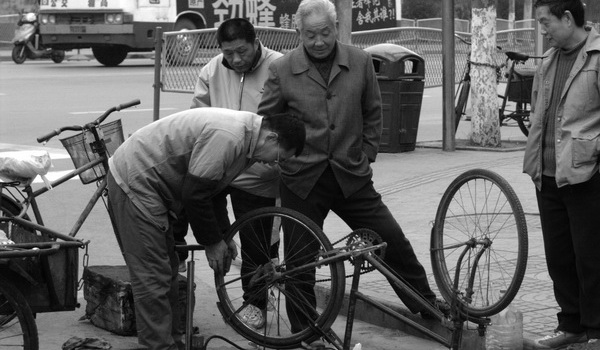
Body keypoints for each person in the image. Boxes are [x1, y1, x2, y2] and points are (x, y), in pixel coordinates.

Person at [257, 0, 447, 332]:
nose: (318, 42)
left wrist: (367, 154)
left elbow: (374, 112)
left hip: (350, 173)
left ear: (337, 29)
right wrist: (285, 157)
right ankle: (306, 329)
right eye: (310, 35)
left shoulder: (358, 61)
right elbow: (267, 122)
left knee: (389, 238)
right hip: (302, 179)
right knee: (301, 257)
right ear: (298, 33)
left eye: (325, 33)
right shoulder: (282, 69)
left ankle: (426, 303)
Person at [107, 107, 305, 350]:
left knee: (166, 273)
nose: (272, 164)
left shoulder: (248, 142)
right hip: (136, 181)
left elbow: (213, 191)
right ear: (272, 138)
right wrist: (212, 243)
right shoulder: (230, 136)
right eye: (278, 158)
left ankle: (172, 344)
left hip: (155, 185)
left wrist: (223, 234)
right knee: (152, 277)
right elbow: (196, 194)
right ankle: (158, 346)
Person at [174, 18, 284, 329]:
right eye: (228, 53)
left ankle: (257, 303)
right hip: (218, 166)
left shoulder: (279, 66)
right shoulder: (212, 70)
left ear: (255, 42)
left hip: (260, 170)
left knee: (258, 243)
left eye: (241, 51)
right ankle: (176, 265)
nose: (235, 60)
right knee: (187, 206)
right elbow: (197, 114)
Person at [523, 1, 600, 349]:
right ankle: (570, 325)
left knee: (591, 258)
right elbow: (541, 112)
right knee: (559, 257)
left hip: (588, 175)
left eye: (546, 22)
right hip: (548, 174)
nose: (542, 30)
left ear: (568, 19)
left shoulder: (597, 57)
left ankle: (596, 331)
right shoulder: (550, 61)